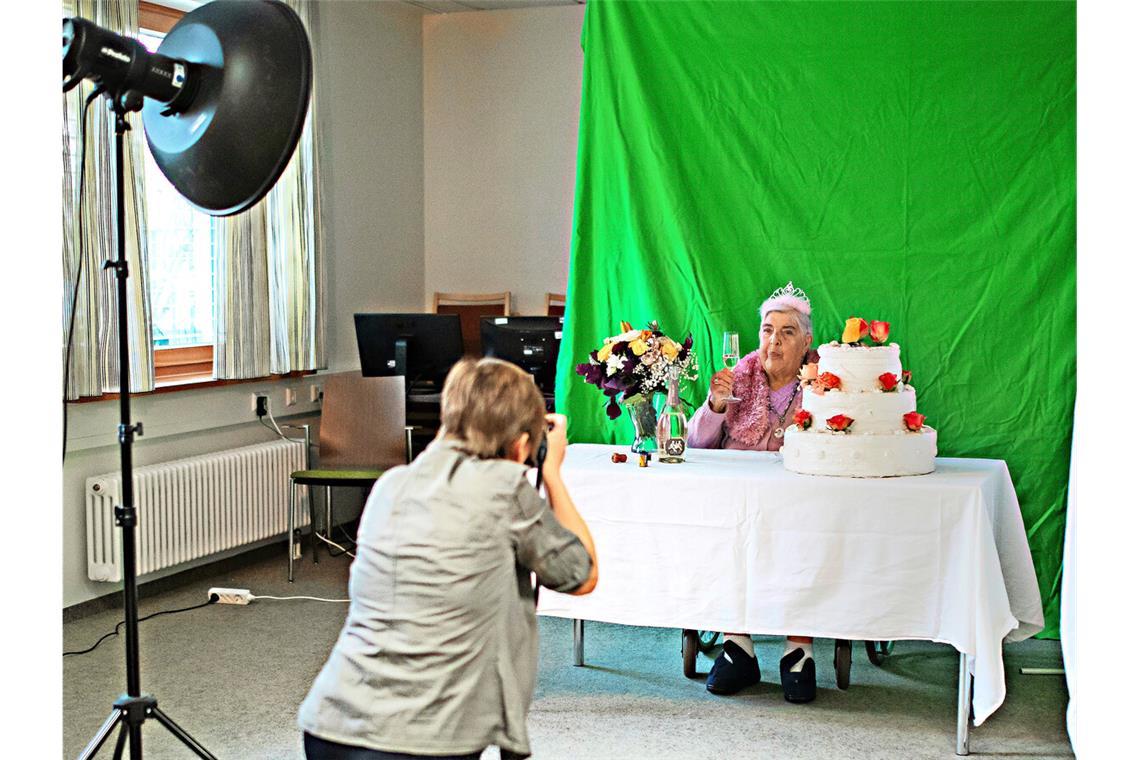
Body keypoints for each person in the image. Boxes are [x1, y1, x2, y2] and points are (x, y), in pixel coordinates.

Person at [298, 357, 598, 759]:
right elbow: (581, 575)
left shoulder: (392, 484)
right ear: (523, 444)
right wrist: (553, 474)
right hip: (422, 741)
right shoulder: (504, 488)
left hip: (332, 722)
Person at [687, 281, 821, 703]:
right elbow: (695, 444)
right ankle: (737, 644)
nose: (774, 341)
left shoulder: (824, 384)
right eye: (767, 330)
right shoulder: (737, 377)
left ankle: (799, 649)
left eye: (786, 332)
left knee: (808, 536)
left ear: (806, 342)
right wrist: (715, 407)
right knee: (728, 532)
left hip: (799, 499)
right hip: (739, 497)